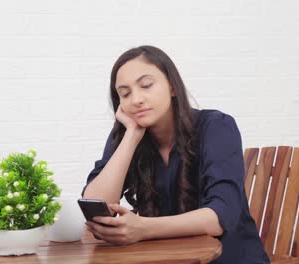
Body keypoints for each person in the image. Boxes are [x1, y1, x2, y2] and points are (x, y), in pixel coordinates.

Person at [81, 45, 270, 263]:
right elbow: (96, 204)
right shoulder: (126, 137)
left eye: (146, 85)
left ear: (171, 86)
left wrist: (142, 228)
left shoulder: (216, 127)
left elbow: (220, 216)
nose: (136, 99)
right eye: (125, 93)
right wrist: (132, 136)